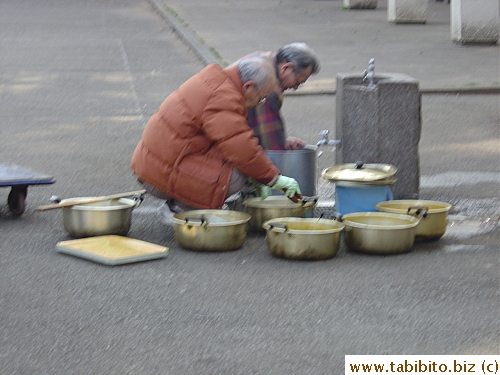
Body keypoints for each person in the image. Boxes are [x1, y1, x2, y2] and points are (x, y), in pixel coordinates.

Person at [131, 57, 302, 214]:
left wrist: (260, 172)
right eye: (261, 97)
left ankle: (184, 201)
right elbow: (241, 147)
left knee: (237, 164)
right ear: (248, 86)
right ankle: (182, 209)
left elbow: (232, 140)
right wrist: (273, 179)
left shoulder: (215, 79)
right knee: (235, 177)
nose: (260, 102)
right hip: (160, 173)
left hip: (155, 164)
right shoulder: (223, 98)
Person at [243, 43, 320, 150]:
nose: (295, 88)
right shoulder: (269, 89)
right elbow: (271, 145)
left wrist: (283, 141)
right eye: (297, 82)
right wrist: (280, 146)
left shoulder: (266, 58)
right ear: (286, 68)